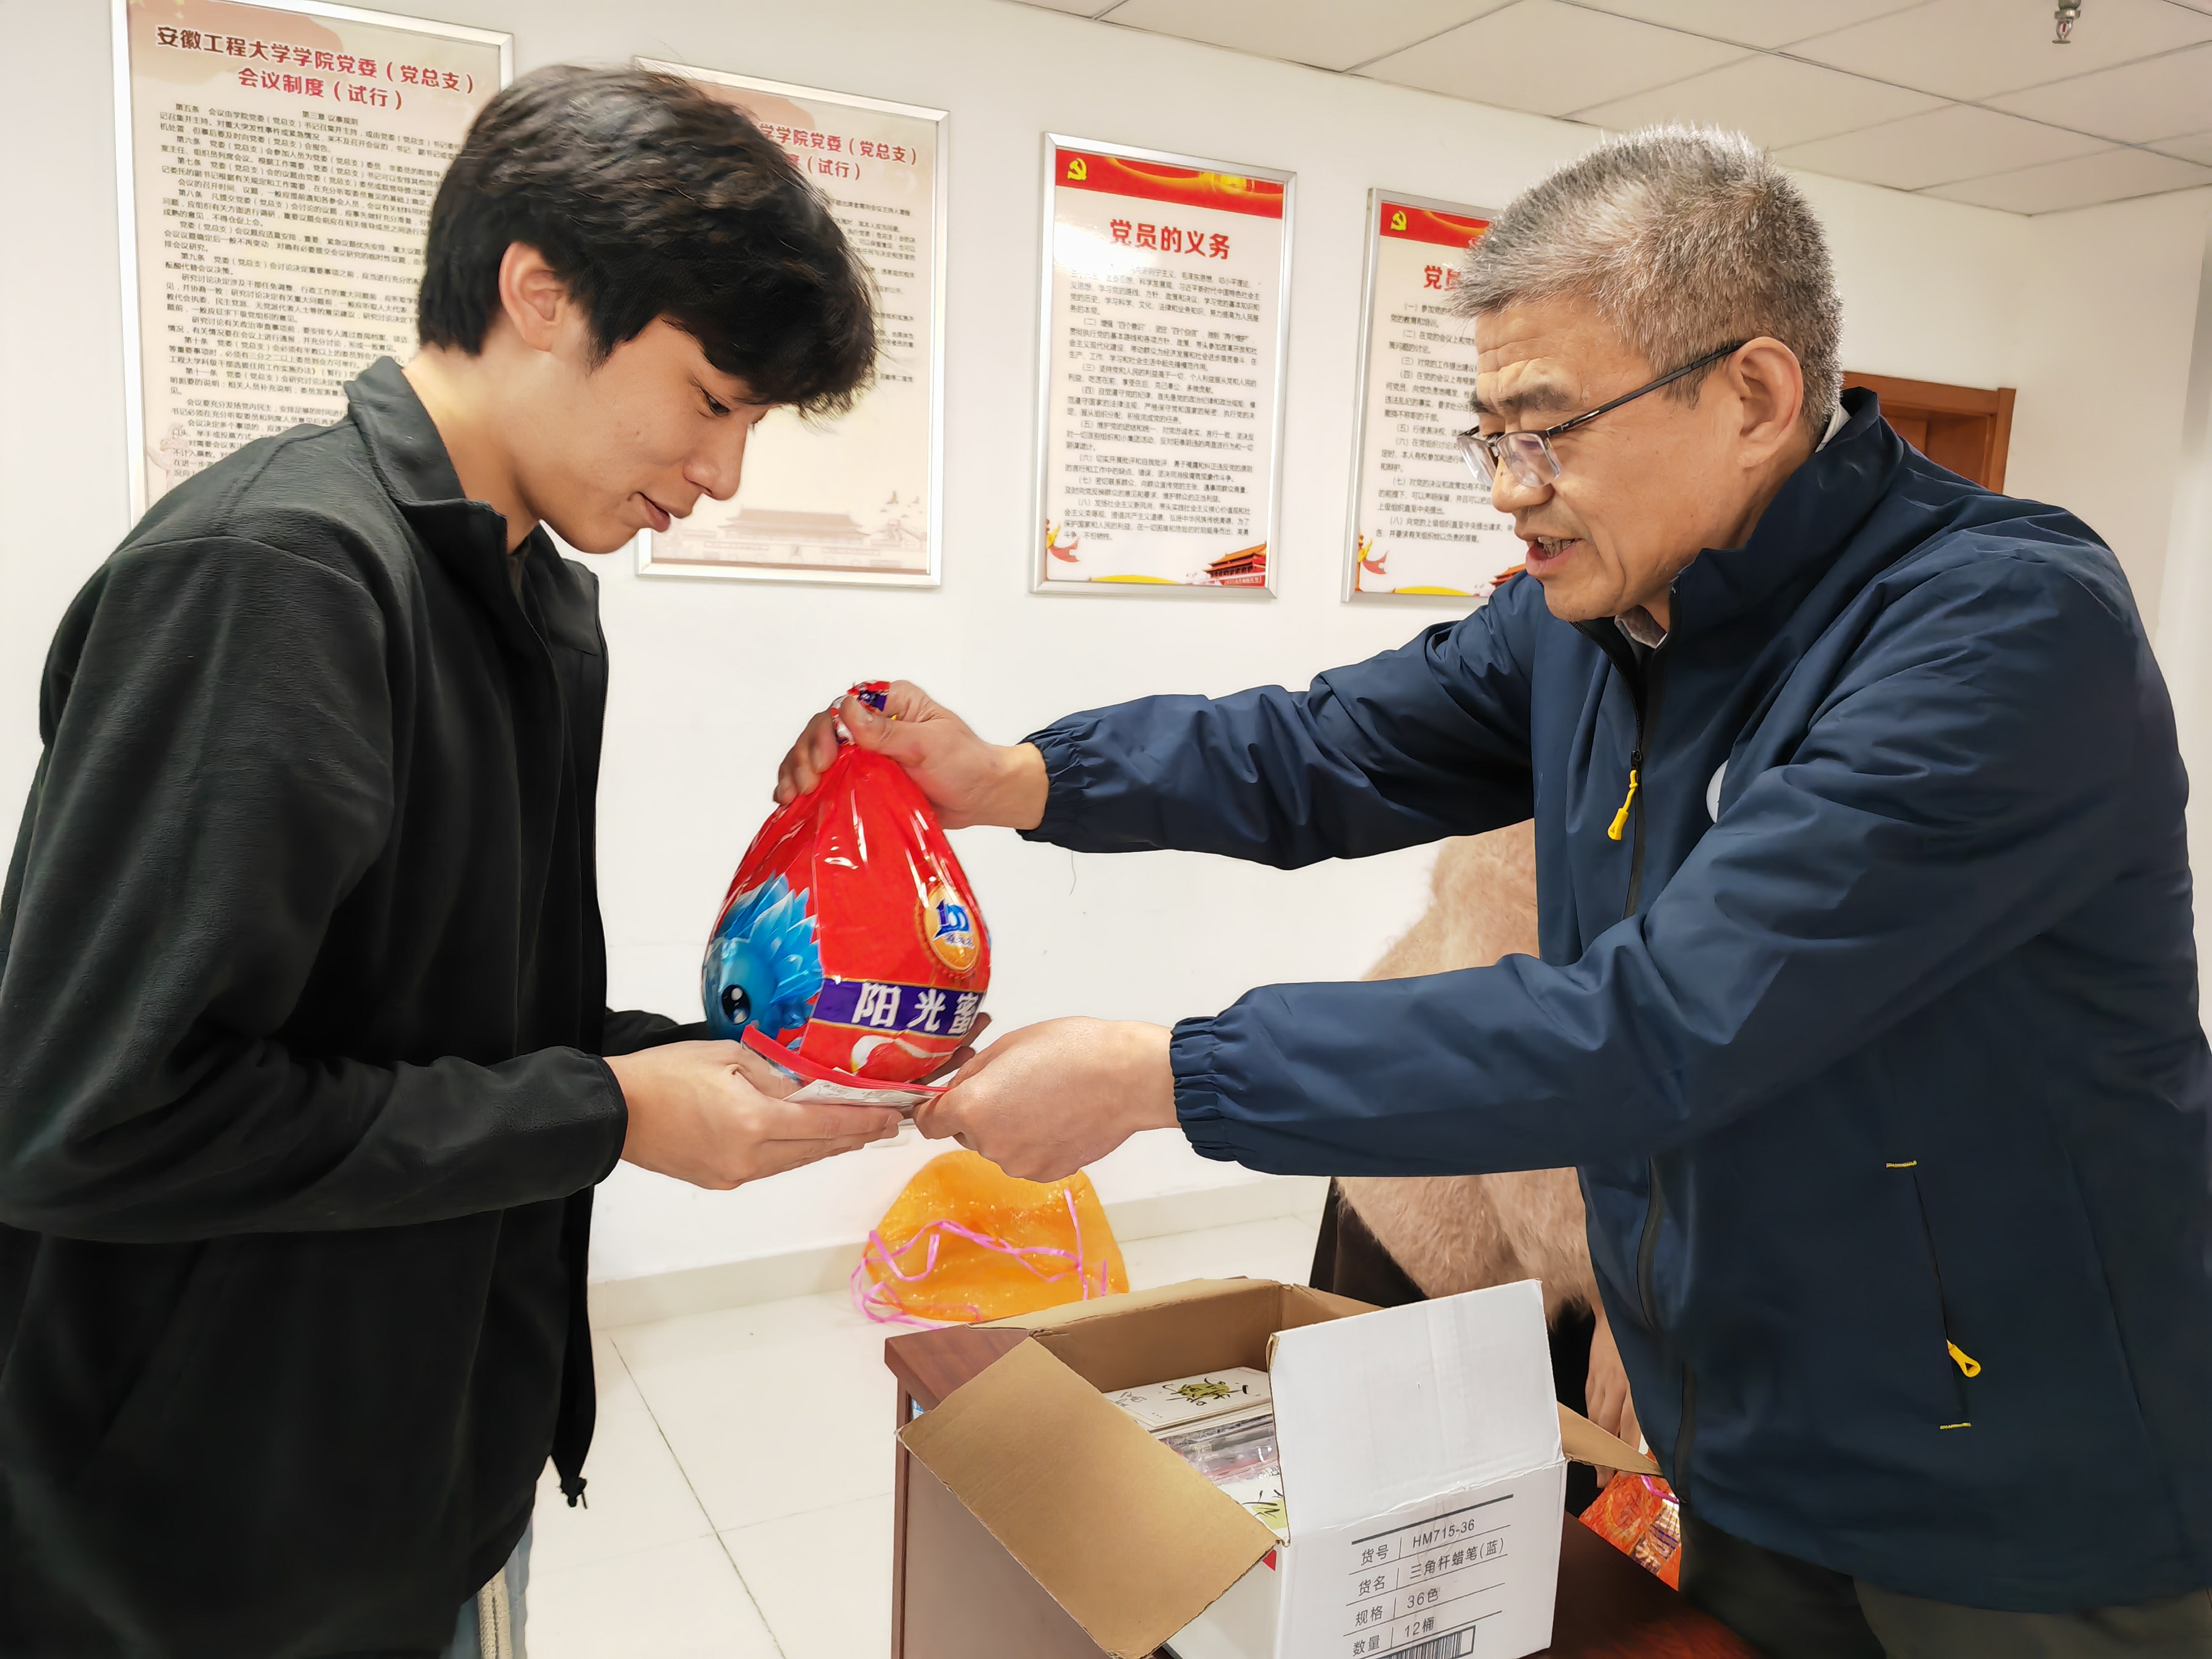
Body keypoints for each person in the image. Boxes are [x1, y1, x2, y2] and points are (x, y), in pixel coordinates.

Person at [777, 127, 2212, 1656]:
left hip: (2020, 1480)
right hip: (1748, 1433)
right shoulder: (1600, 619)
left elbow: (1654, 1027)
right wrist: (1016, 777)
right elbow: (1322, 749)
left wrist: (1165, 1076)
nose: (1512, 492)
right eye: (1491, 438)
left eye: (1550, 431)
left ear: (1755, 395)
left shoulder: (1998, 629)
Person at [0, 66, 905, 1659]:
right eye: (711, 400)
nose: (723, 477)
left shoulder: (536, 596)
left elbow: (447, 1022)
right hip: (208, 1540)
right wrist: (609, 1110)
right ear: (540, 294)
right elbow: (95, 1119)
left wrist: (731, 1058)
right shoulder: (278, 576)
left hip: (426, 1457)